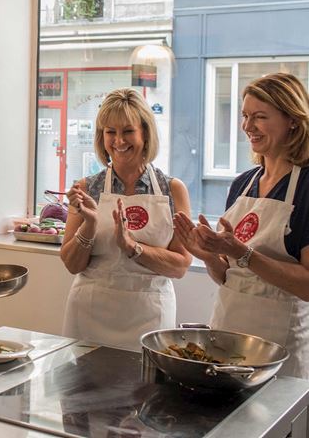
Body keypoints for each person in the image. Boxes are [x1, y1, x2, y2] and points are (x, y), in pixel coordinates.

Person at [174, 72, 309, 378]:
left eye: (259, 117)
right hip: (227, 335)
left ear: (292, 120)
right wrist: (208, 254)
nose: (248, 127)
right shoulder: (242, 185)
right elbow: (230, 277)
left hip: (279, 349)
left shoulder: (306, 187)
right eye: (245, 116)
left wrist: (242, 252)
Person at [61, 88, 191, 350]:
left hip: (150, 315)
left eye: (128, 131)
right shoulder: (86, 188)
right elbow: (72, 264)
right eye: (110, 132)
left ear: (145, 133)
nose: (118, 140)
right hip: (90, 313)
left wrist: (133, 248)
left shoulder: (172, 190)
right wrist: (90, 225)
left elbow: (179, 266)